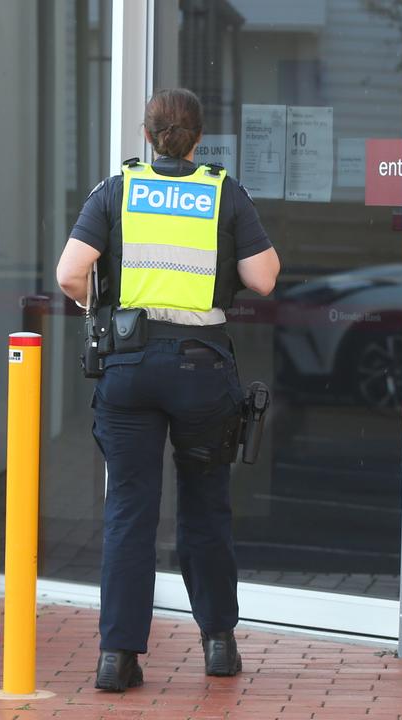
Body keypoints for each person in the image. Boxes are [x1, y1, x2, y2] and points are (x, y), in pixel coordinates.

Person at [56, 88, 280, 691]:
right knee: (206, 503)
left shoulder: (118, 190)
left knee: (129, 508)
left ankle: (117, 657)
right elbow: (263, 278)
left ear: (147, 135)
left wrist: (98, 305)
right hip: (201, 369)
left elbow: (69, 273)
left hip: (128, 368)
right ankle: (219, 646)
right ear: (199, 137)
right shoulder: (223, 192)